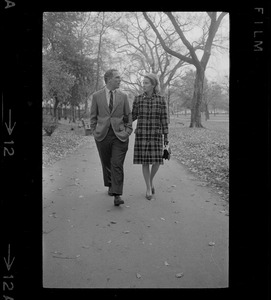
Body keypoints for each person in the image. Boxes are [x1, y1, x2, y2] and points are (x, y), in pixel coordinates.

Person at [90, 69, 133, 206]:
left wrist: (127, 131)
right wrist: (94, 132)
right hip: (102, 135)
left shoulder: (123, 96)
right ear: (108, 80)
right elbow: (93, 116)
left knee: (116, 164)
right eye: (117, 78)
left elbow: (128, 115)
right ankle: (110, 185)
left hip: (119, 135)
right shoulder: (97, 96)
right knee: (106, 162)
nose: (120, 80)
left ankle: (117, 195)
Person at [132, 73, 169, 200]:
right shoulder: (138, 99)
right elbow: (133, 116)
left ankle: (151, 180)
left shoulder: (161, 99)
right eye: (143, 82)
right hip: (142, 134)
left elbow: (164, 119)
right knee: (145, 162)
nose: (144, 85)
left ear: (153, 85)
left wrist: (166, 137)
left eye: (146, 83)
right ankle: (148, 187)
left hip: (156, 134)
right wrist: (120, 122)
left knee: (157, 161)